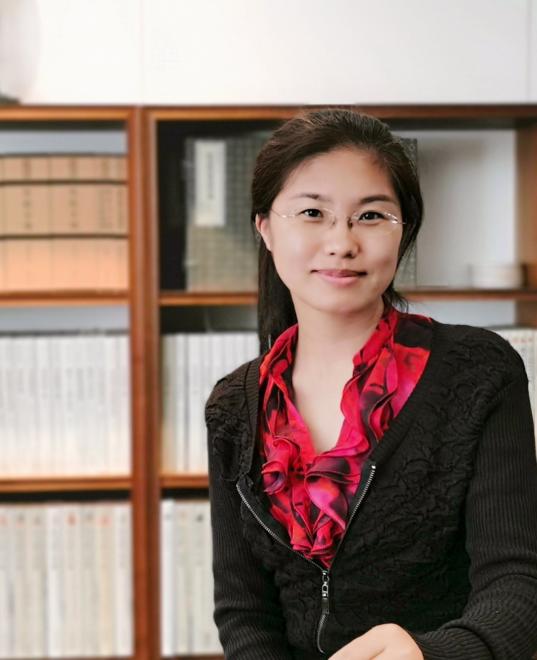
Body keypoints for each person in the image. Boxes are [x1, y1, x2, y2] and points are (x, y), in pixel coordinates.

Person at [204, 108, 537, 659]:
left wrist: (429, 654)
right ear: (265, 228)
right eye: (312, 213)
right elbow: (244, 612)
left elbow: (517, 587)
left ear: (404, 231)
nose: (341, 242)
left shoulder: (479, 371)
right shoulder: (232, 406)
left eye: (371, 216)